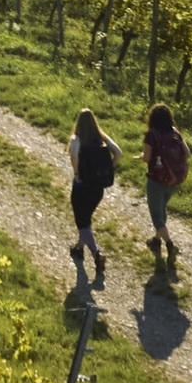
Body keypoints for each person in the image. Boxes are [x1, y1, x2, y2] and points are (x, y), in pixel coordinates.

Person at [68, 108, 121, 285]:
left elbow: (74, 154)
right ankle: (79, 248)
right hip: (98, 189)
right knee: (86, 218)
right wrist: (109, 168)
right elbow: (118, 152)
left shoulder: (76, 138)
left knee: (82, 222)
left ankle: (97, 255)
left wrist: (77, 173)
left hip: (81, 187)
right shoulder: (101, 138)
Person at [142, 102, 188, 272]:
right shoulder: (175, 133)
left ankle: (169, 244)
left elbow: (147, 159)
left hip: (157, 179)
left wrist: (142, 156)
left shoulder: (151, 135)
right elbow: (187, 153)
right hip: (173, 180)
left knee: (156, 215)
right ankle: (156, 240)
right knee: (161, 210)